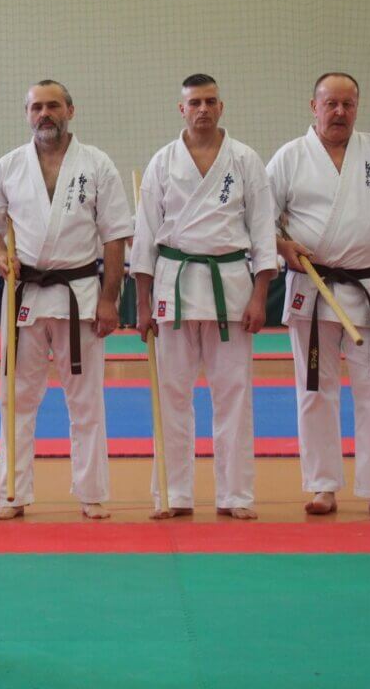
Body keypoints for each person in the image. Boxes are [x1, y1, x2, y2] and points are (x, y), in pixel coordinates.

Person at [267, 72, 370, 519]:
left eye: (348, 104)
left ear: (357, 107)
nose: (339, 112)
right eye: (331, 104)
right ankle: (323, 486)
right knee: (314, 389)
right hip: (312, 286)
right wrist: (282, 246)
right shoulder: (289, 157)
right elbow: (258, 218)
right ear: (313, 106)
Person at [0, 80, 133, 520]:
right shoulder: (8, 166)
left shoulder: (97, 164)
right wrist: (0, 254)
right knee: (15, 398)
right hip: (24, 295)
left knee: (86, 399)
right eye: (36, 107)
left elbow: (115, 236)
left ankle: (91, 491)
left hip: (79, 295)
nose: (44, 114)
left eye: (52, 106)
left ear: (70, 110)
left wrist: (110, 299)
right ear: (27, 114)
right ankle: (12, 492)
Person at [131, 74, 277, 520]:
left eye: (210, 101)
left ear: (221, 106)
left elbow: (263, 232)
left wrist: (260, 296)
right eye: (194, 102)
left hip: (230, 285)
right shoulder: (162, 161)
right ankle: (173, 494)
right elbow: (145, 237)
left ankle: (236, 494)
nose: (203, 109)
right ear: (182, 109)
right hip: (172, 285)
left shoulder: (245, 159)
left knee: (234, 395)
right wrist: (141, 304)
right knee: (171, 396)